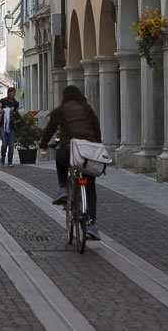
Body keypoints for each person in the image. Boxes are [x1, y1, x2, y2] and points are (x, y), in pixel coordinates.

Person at [39, 85, 102, 241]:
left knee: (60, 156)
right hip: (88, 152)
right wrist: (96, 145)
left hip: (70, 149)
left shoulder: (59, 111)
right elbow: (97, 128)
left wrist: (43, 144)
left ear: (64, 97)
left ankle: (63, 189)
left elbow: (50, 130)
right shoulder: (87, 108)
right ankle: (92, 224)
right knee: (90, 185)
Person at [0, 87, 20, 167]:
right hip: (3, 125)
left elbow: (17, 113)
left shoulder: (16, 103)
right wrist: (4, 111)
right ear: (9, 93)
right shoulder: (3, 101)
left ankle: (10, 162)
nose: (14, 94)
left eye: (14, 92)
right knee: (4, 143)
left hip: (12, 125)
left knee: (11, 144)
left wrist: (13, 113)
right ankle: (3, 157)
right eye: (12, 92)